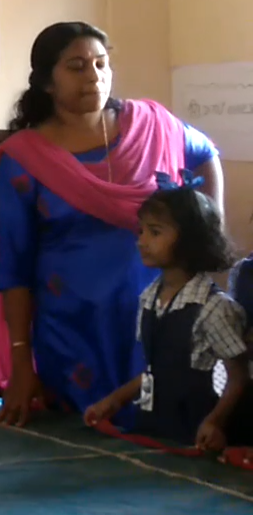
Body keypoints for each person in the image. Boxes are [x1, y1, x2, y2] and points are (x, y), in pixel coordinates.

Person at [0, 23, 225, 427]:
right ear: (47, 82)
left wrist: (208, 229)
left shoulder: (152, 125)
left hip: (158, 316)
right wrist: (20, 360)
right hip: (72, 328)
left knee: (164, 431)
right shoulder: (24, 157)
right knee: (81, 438)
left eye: (101, 64)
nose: (94, 76)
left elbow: (206, 154)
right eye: (77, 66)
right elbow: (15, 265)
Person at [84, 176, 247, 449]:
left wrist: (215, 422)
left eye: (155, 232)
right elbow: (157, 371)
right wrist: (113, 401)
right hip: (154, 430)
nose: (141, 241)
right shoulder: (149, 298)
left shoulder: (214, 308)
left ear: (189, 240)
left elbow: (238, 377)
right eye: (141, 232)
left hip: (195, 436)